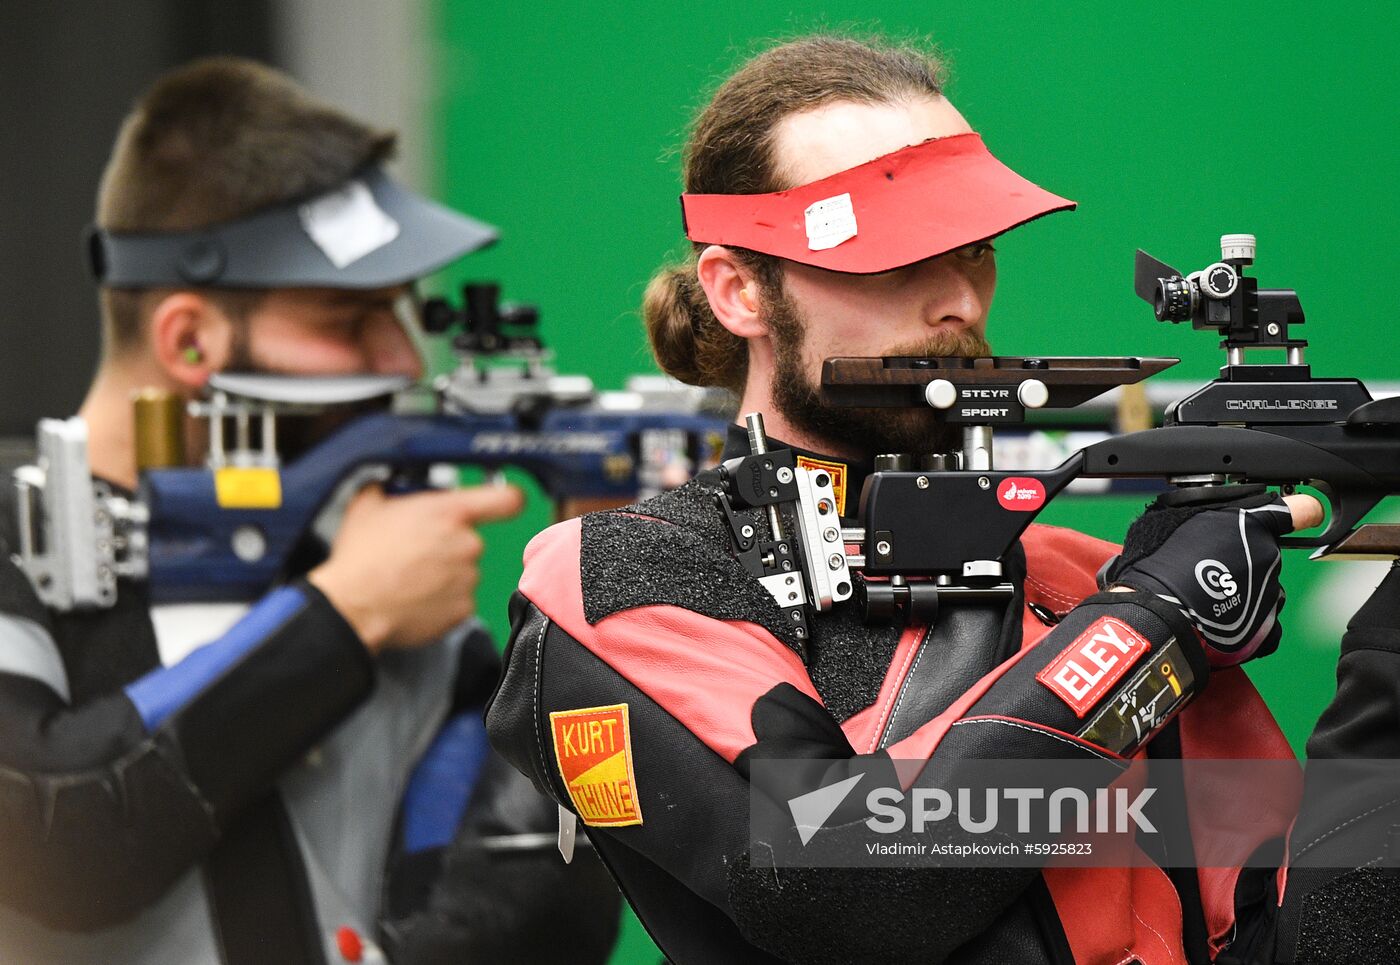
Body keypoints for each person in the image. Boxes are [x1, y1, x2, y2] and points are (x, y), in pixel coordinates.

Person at [486, 35, 1400, 964]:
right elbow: (843, 892)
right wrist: (1153, 626)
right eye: (897, 256)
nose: (958, 298)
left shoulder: (1080, 584)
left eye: (973, 249)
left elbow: (1321, 938)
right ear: (738, 290)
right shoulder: (623, 578)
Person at [0, 58, 618, 964]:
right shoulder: (18, 526)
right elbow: (51, 843)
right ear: (189, 339)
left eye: (402, 316)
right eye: (350, 319)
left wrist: (587, 621)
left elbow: (524, 920)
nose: (405, 363)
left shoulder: (376, 568)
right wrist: (345, 610)